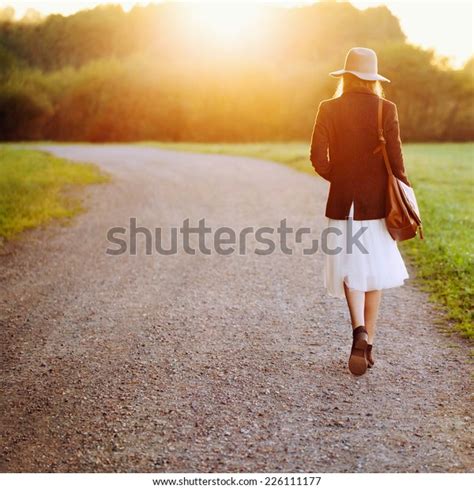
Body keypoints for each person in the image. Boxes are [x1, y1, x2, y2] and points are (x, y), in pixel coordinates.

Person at [310, 47, 411, 376]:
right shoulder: (386, 108)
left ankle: (359, 332)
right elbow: (396, 163)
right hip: (377, 205)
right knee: (375, 273)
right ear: (373, 79)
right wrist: (406, 194)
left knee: (350, 270)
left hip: (343, 202)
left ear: (346, 76)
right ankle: (370, 344)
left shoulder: (328, 108)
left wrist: (339, 178)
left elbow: (317, 158)